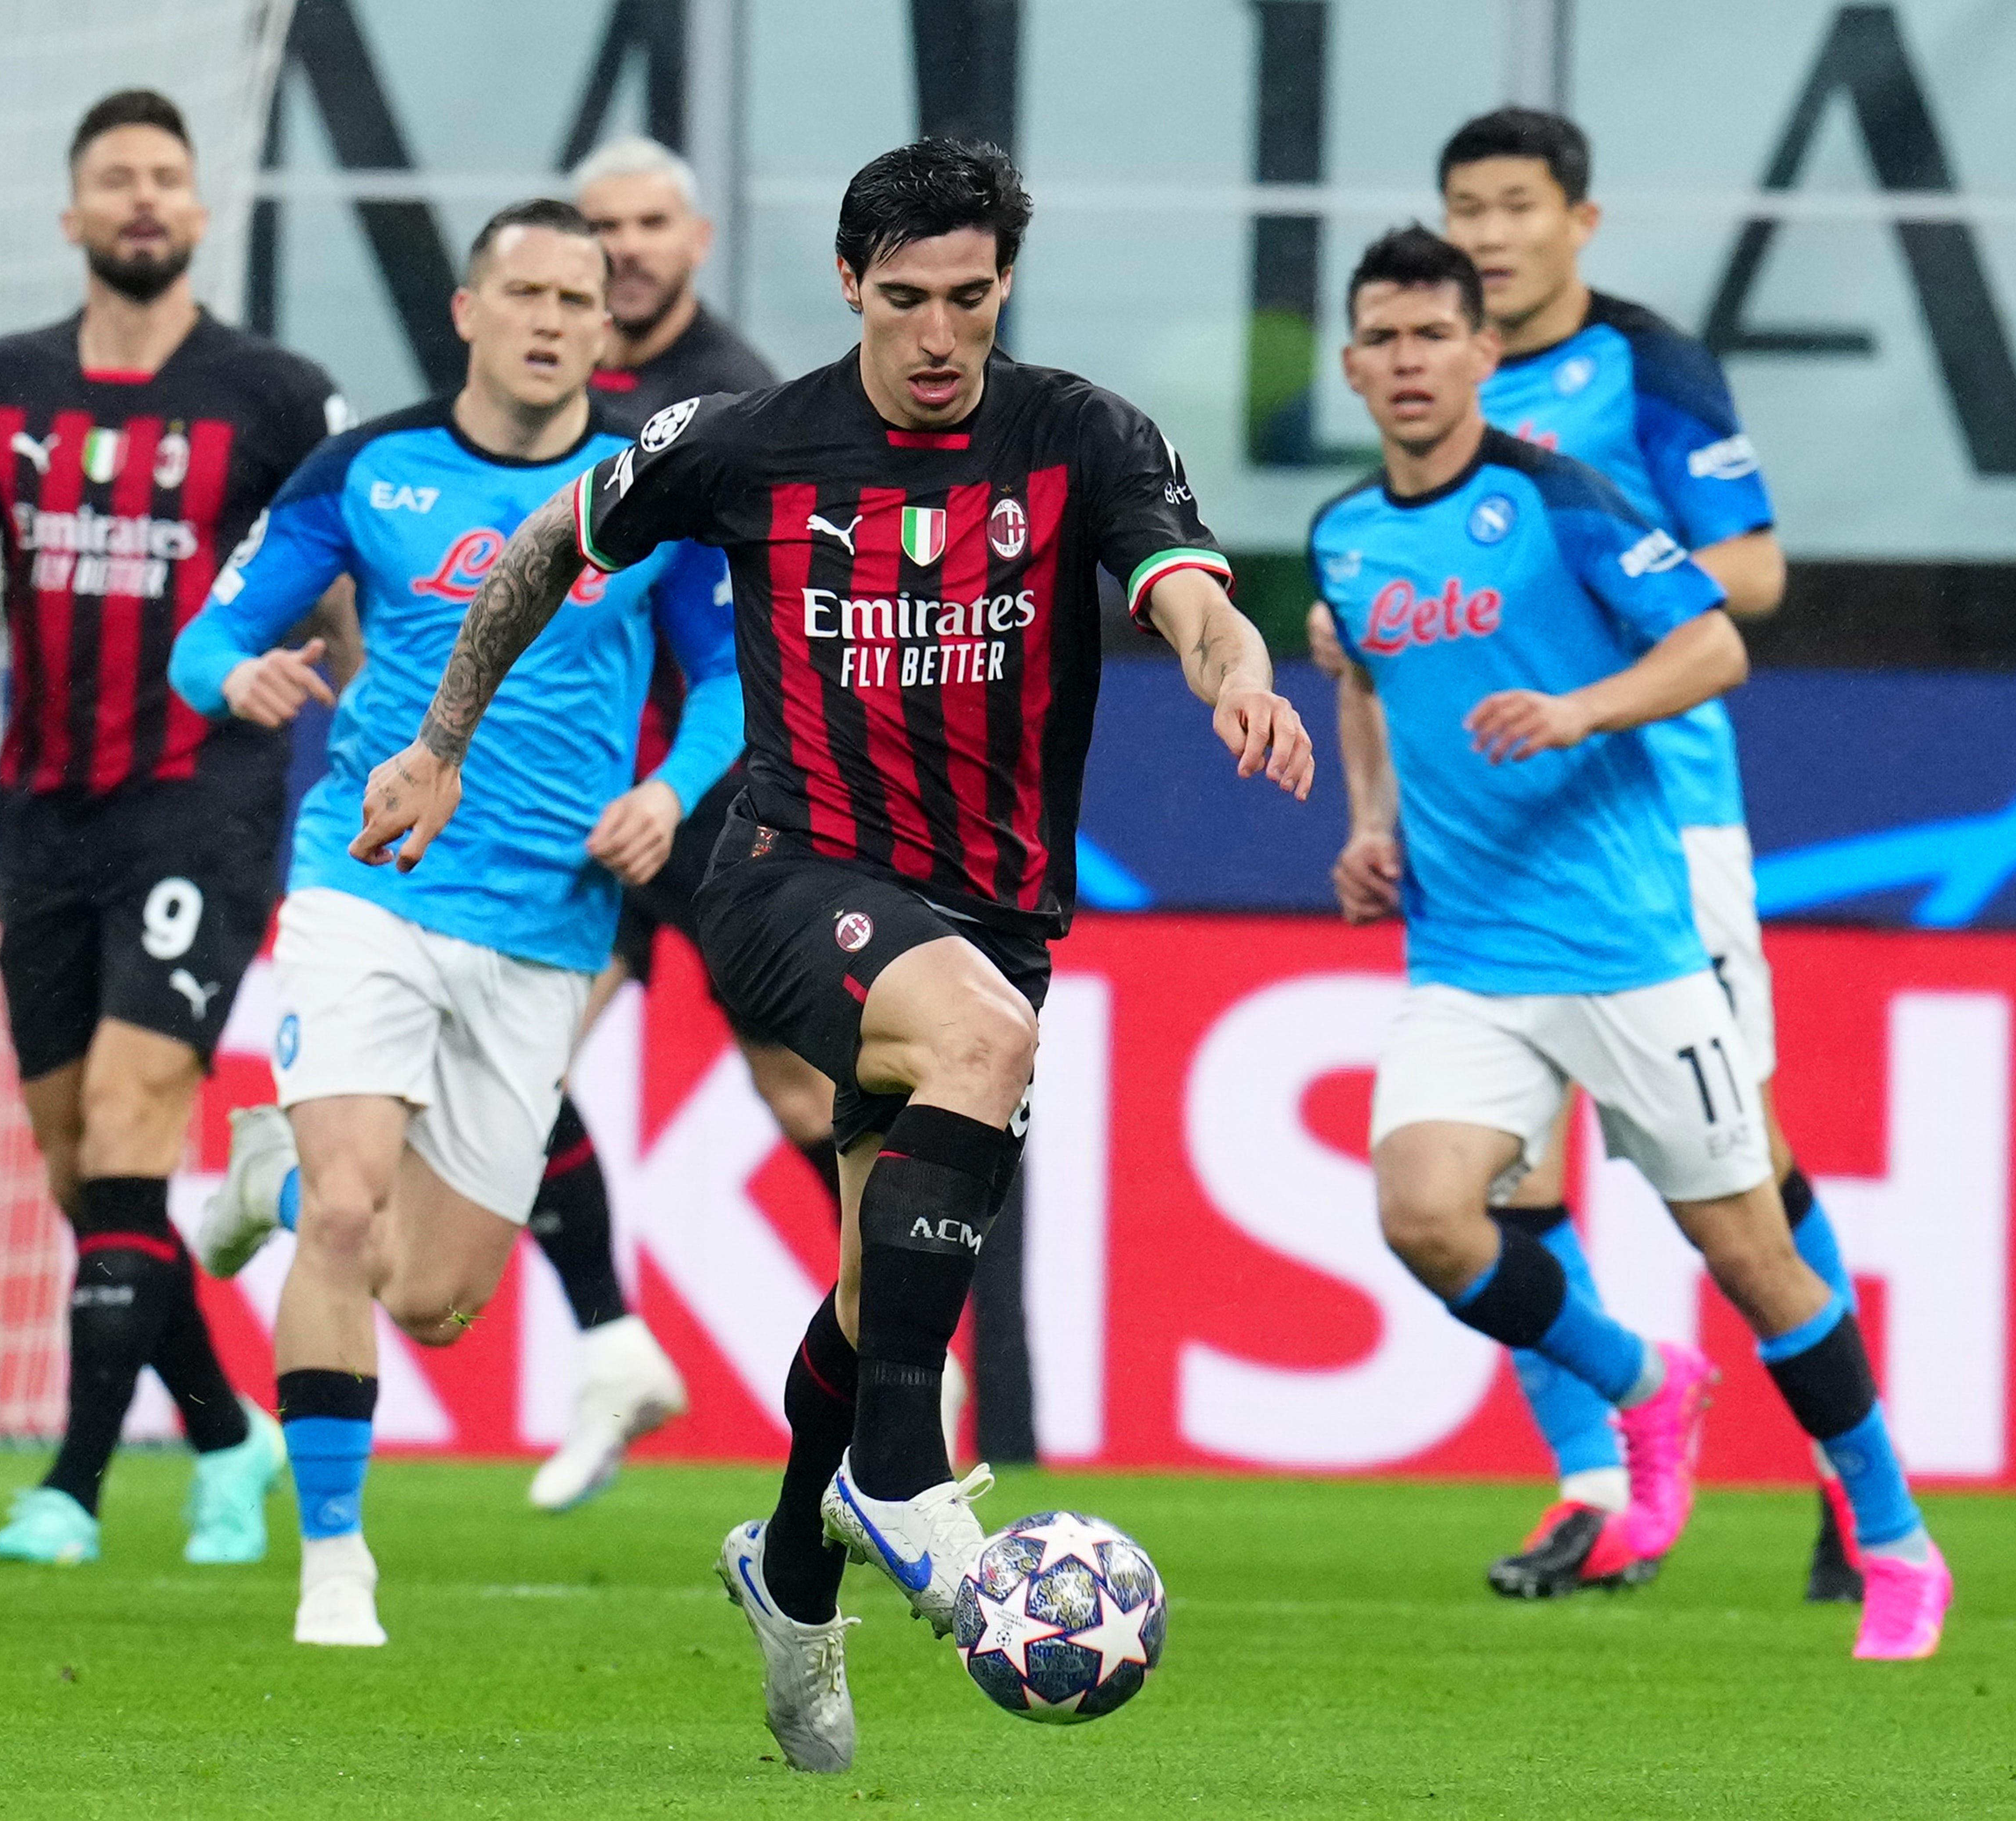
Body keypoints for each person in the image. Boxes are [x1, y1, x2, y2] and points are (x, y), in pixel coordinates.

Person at [348, 139, 1313, 1772]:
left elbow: (1186, 586)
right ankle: (898, 1476)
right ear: (853, 284)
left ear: (1002, 288)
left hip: (996, 909)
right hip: (791, 874)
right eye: (911, 299)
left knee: (879, 1288)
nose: (942, 336)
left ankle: (794, 1572)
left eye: (973, 300)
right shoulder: (743, 441)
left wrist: (1233, 668)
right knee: (980, 1052)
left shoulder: (1077, 434)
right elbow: (536, 556)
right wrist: (440, 744)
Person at [1313, 223, 1950, 1661]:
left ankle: (1894, 1538)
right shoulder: (1347, 536)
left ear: (1484, 355)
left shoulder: (1561, 500)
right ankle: (1640, 1383)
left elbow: (1715, 641)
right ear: (1351, 367)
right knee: (1423, 1214)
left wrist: (1583, 709)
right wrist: (1369, 824)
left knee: (1755, 1259)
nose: (1409, 363)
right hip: (1466, 958)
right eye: (1384, 339)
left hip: (1626, 952)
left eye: (1435, 336)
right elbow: (1363, 676)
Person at [168, 198, 739, 1648]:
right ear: (468, 314)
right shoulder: (371, 472)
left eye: (580, 299)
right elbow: (209, 635)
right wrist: (234, 682)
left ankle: (259, 1184)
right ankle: (336, 1567)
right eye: (526, 292)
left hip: (547, 921)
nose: (552, 319)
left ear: (606, 334)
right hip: (370, 878)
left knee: (431, 1298)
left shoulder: (648, 492)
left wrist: (673, 790)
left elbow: (734, 682)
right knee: (352, 1208)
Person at [0, 88, 346, 1568]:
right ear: (72, 217)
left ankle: (69, 1485)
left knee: (132, 1123)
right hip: (45, 810)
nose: (142, 199)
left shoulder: (273, 394)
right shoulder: (1, 383)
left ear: (199, 215)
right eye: (115, 179)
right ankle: (222, 1433)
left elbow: (346, 594)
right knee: (83, 1171)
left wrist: (407, 756)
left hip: (205, 797)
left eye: (166, 180)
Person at [500, 134, 812, 1515]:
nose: (620, 248)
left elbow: (762, 627)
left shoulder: (735, 399)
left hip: (721, 799)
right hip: (573, 809)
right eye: (597, 225)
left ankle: (902, 1362)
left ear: (694, 240)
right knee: (504, 1072)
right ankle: (612, 1344)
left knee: (803, 1093)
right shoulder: (548, 382)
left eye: (644, 224)